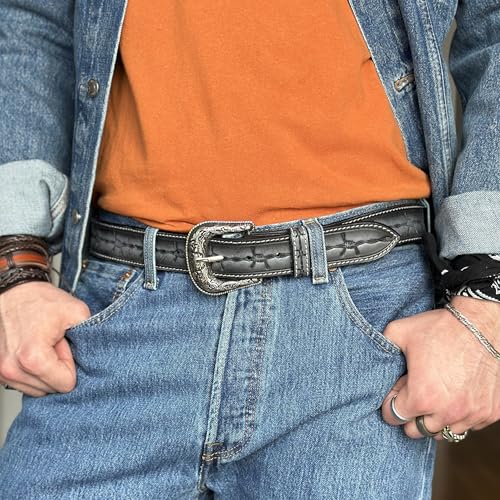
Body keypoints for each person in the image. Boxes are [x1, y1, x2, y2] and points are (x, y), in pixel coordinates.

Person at [0, 1, 499, 498]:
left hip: (362, 327)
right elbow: (30, 16)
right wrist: (13, 263)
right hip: (119, 313)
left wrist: (488, 304)